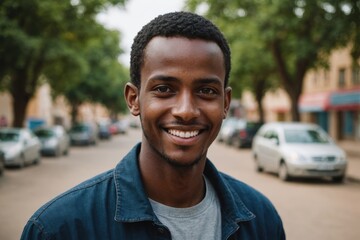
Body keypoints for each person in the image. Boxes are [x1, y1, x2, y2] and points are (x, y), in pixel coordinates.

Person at [21, 11, 285, 239]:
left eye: (205, 90)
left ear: (225, 102)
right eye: (164, 89)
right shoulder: (58, 229)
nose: (186, 111)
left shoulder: (261, 220)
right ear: (134, 99)